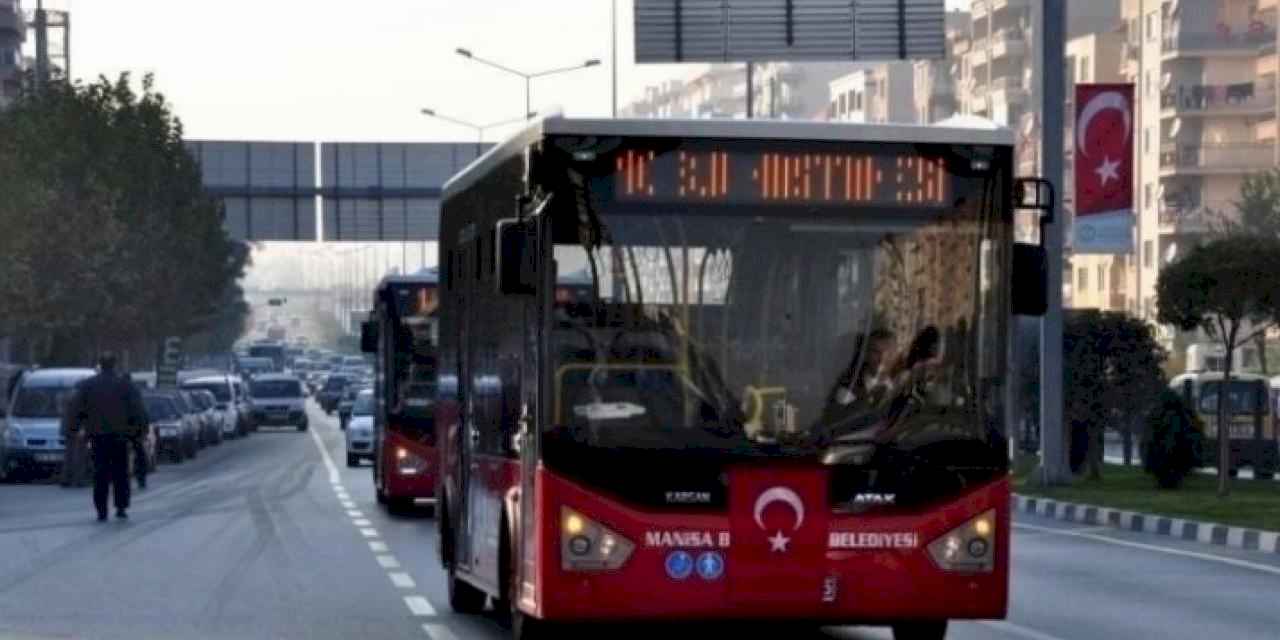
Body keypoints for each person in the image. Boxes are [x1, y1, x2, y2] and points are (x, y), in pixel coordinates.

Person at [65, 352, 149, 521]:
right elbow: (138, 410)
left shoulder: (88, 386)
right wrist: (139, 432)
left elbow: (76, 410)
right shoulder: (125, 386)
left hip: (97, 436)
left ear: (100, 365)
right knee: (121, 473)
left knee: (100, 474)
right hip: (120, 436)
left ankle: (101, 509)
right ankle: (121, 506)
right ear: (114, 365)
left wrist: (72, 430)